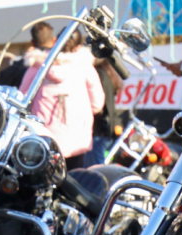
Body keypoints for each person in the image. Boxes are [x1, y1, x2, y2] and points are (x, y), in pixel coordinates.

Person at [19, 29, 105, 170]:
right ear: (78, 46)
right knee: (74, 179)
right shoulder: (85, 67)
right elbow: (97, 104)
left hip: (44, 138)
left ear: (55, 42)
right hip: (77, 138)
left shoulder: (38, 66)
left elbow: (22, 99)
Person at [83, 57, 123, 167]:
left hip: (98, 129)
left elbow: (98, 105)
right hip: (106, 128)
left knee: (94, 168)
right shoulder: (107, 74)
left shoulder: (97, 75)